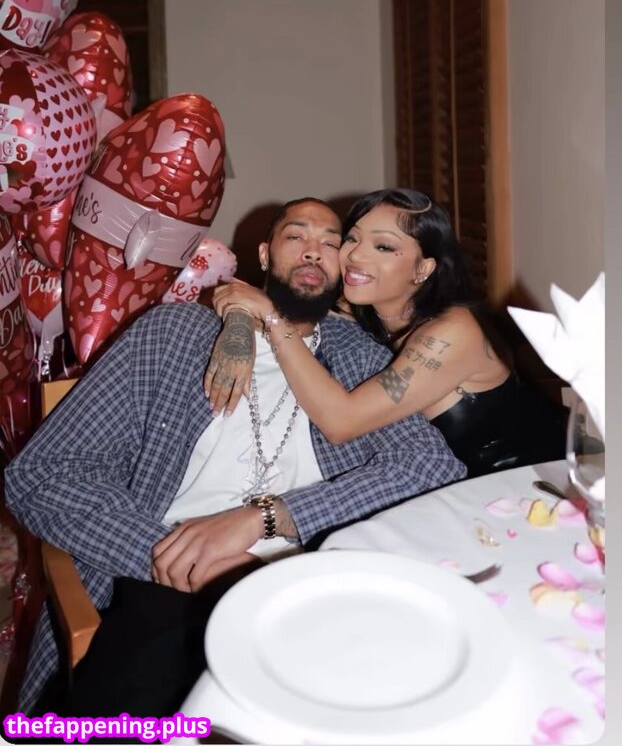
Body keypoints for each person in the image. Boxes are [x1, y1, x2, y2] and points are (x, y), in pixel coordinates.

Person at [5, 197, 465, 717]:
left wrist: (269, 517)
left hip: (305, 579)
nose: (313, 251)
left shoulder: (356, 357)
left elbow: (430, 467)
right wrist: (178, 557)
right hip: (168, 582)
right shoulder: (172, 336)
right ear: (265, 255)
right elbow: (42, 473)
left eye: (331, 242)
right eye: (296, 236)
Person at [207, 188, 568, 478]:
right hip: (447, 492)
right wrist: (239, 321)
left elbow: (342, 422)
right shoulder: (362, 306)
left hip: (528, 484)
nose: (356, 257)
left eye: (383, 247)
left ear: (423, 268)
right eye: (351, 239)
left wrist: (271, 318)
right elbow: (250, 295)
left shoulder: (454, 332)